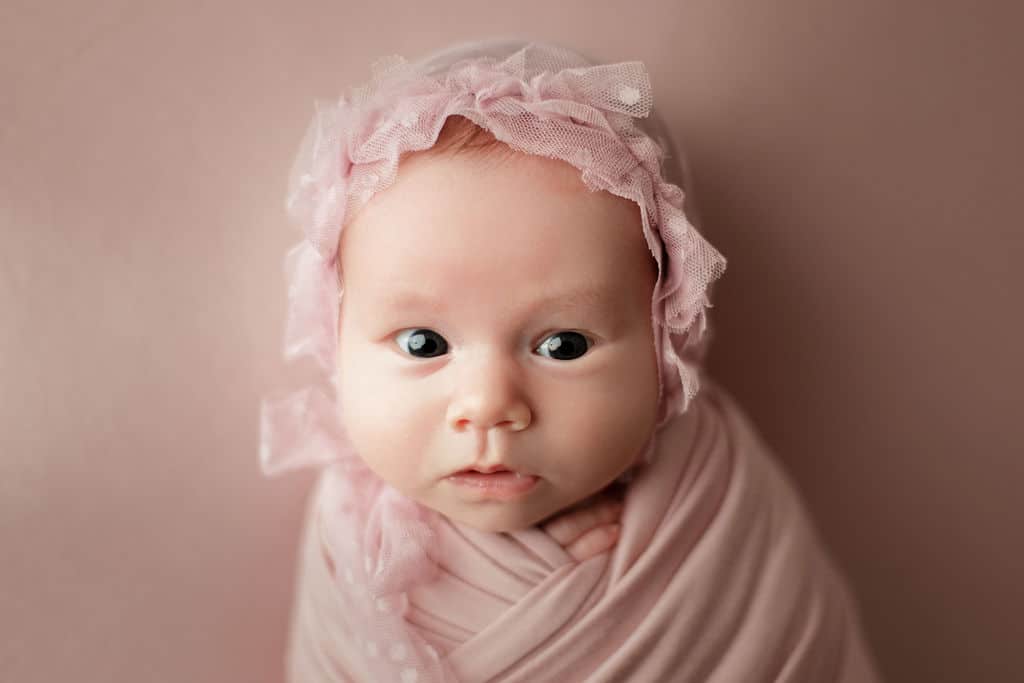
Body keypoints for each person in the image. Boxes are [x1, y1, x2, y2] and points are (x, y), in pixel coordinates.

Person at [260, 38, 880, 682]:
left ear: (664, 344)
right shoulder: (355, 542)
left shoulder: (715, 508)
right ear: (333, 336)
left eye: (564, 345)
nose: (491, 405)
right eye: (424, 344)